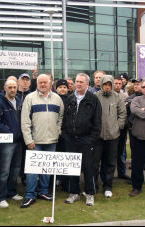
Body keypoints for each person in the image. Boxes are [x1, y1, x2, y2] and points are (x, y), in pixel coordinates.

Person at [20, 74, 64, 208]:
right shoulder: (30, 98)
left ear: (50, 83)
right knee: (32, 170)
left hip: (52, 140)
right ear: (37, 84)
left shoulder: (57, 99)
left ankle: (43, 191)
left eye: (45, 82)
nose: (43, 85)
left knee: (47, 168)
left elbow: (61, 118)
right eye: (40, 83)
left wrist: (58, 131)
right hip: (35, 141)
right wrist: (28, 140)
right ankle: (30, 195)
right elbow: (25, 121)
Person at [62, 73, 102, 206]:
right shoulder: (70, 98)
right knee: (72, 168)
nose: (78, 84)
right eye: (76, 81)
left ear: (87, 84)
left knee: (88, 167)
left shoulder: (93, 99)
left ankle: (90, 194)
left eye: (81, 82)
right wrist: (66, 136)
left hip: (87, 139)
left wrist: (92, 139)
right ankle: (74, 193)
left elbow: (97, 122)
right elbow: (64, 119)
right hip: (71, 139)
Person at [0, 79, 24, 208]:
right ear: (5, 88)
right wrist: (8, 131)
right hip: (6, 141)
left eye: (14, 87)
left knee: (15, 169)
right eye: (10, 87)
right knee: (4, 170)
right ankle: (0, 197)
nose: (12, 90)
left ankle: (12, 192)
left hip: (19, 140)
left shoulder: (20, 100)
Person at [94, 75, 126, 198]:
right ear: (101, 85)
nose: (107, 87)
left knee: (110, 162)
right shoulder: (95, 96)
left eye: (109, 85)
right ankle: (94, 186)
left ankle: (108, 186)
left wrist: (118, 126)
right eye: (105, 85)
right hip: (98, 136)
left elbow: (122, 113)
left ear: (112, 85)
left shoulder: (118, 97)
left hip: (113, 136)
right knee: (95, 163)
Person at [16, 73, 32, 186]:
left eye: (27, 80)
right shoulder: (13, 94)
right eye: (23, 80)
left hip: (29, 131)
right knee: (18, 158)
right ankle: (18, 177)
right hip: (16, 131)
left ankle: (26, 178)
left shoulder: (32, 95)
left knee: (28, 156)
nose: (25, 82)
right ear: (18, 81)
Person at [113, 76, 130, 180]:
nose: (118, 85)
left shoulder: (125, 96)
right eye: (116, 83)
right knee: (110, 152)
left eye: (119, 83)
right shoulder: (109, 95)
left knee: (121, 151)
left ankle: (122, 172)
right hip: (110, 128)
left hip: (122, 128)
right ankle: (109, 174)